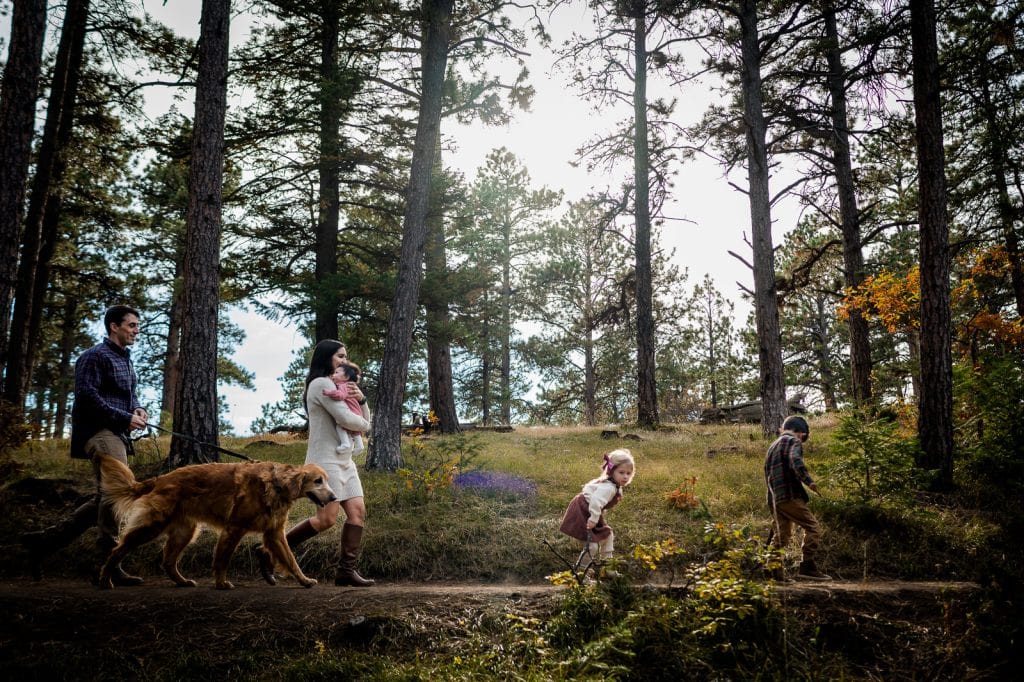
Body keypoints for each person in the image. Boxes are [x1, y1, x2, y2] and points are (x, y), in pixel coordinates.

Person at [22, 305, 149, 585]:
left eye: (137, 325)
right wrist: (124, 417)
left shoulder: (125, 360)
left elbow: (131, 397)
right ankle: (104, 564)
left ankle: (44, 542)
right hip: (98, 432)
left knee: (104, 498)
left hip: (116, 432)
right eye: (131, 325)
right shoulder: (93, 356)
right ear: (113, 326)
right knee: (120, 492)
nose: (136, 331)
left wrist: (138, 410)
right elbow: (87, 397)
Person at [258, 339, 375, 587]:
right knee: (326, 519)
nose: (345, 361)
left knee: (357, 514)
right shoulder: (320, 384)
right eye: (340, 356)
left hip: (345, 461)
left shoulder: (339, 386)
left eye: (346, 356)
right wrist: (366, 426)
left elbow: (359, 415)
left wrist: (362, 400)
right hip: (324, 462)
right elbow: (348, 419)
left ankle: (346, 571)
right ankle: (269, 550)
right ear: (326, 357)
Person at [764, 415, 831, 581]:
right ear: (800, 432)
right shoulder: (792, 441)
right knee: (813, 527)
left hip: (774, 498)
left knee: (782, 533)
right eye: (804, 437)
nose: (802, 440)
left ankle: (774, 571)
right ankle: (807, 566)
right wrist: (809, 482)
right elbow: (795, 460)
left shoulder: (772, 446)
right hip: (789, 495)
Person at [558, 448, 635, 574]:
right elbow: (595, 501)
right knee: (592, 545)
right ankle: (581, 572)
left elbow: (598, 502)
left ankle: (608, 568)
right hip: (583, 511)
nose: (625, 476)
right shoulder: (609, 487)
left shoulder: (614, 486)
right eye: (621, 472)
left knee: (608, 535)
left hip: (592, 510)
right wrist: (593, 519)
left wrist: (596, 516)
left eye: (628, 473)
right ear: (611, 472)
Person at [322, 362, 366, 457]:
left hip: (351, 412)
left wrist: (329, 393)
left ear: (346, 377)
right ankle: (359, 445)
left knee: (340, 426)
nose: (333, 375)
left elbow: (341, 395)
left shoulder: (343, 385)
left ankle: (345, 444)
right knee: (355, 430)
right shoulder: (351, 385)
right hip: (357, 412)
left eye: (336, 373)